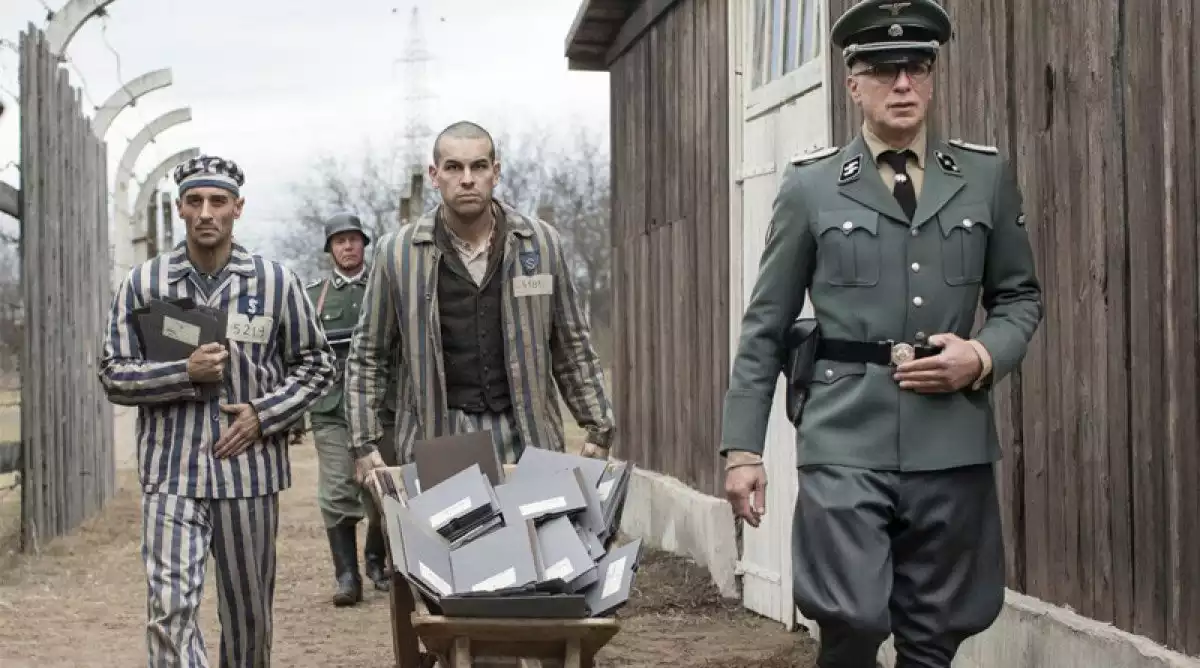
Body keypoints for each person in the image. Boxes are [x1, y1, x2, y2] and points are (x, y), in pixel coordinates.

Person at [719, 1, 1043, 666]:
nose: (903, 84)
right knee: (853, 617)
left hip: (951, 440)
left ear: (932, 77)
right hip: (844, 436)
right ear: (852, 84)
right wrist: (742, 451)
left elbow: (1019, 298)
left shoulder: (983, 176)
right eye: (884, 69)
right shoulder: (812, 187)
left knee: (935, 632)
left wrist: (982, 355)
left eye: (918, 68)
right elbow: (765, 325)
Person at [98, 154, 337, 667]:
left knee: (248, 619)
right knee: (169, 610)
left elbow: (318, 365)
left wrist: (263, 414)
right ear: (181, 210)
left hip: (248, 478)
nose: (206, 212)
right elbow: (113, 372)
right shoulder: (145, 284)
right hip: (171, 477)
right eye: (195, 202)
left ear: (237, 208)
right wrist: (182, 373)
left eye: (218, 202)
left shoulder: (276, 283)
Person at [344, 120, 614, 487]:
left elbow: (572, 345)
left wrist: (599, 426)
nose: (467, 179)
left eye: (479, 166)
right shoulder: (398, 254)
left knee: (532, 540)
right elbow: (367, 355)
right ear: (435, 174)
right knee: (450, 541)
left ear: (495, 172)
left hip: (526, 436)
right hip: (439, 436)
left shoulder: (540, 244)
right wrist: (363, 442)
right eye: (454, 167)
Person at [303, 212, 393, 605]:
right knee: (339, 489)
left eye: (354, 239)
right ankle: (347, 576)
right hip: (333, 408)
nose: (348, 246)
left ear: (364, 244)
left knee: (384, 489)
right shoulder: (313, 297)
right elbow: (303, 354)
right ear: (330, 250)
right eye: (339, 241)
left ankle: (378, 559)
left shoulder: (386, 288)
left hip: (381, 406)